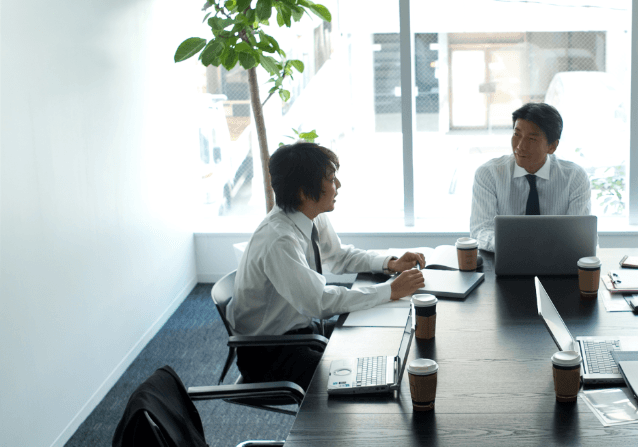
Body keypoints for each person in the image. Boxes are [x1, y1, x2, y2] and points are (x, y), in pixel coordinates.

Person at [227, 142, 425, 389]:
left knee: (374, 334)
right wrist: (390, 290)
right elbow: (320, 302)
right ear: (304, 192)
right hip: (268, 353)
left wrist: (390, 263)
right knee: (356, 379)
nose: (338, 185)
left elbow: (339, 256)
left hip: (301, 332)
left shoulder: (309, 215)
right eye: (331, 179)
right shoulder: (278, 240)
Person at [469, 102, 591, 251]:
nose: (520, 146)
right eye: (517, 134)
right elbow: (481, 230)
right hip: (504, 256)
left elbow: (579, 235)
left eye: (532, 139)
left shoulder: (575, 177)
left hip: (557, 258)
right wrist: (514, 246)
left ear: (552, 146)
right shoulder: (489, 174)